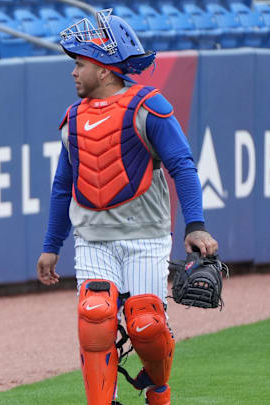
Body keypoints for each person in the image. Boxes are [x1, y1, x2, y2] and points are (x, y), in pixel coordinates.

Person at [36, 10, 218, 405]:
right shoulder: (72, 118)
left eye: (80, 64)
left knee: (146, 323)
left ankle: (159, 391)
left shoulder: (148, 107)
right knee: (95, 319)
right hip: (93, 239)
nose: (73, 72)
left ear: (104, 70)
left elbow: (182, 166)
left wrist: (196, 226)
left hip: (146, 236)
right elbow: (61, 186)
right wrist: (52, 245)